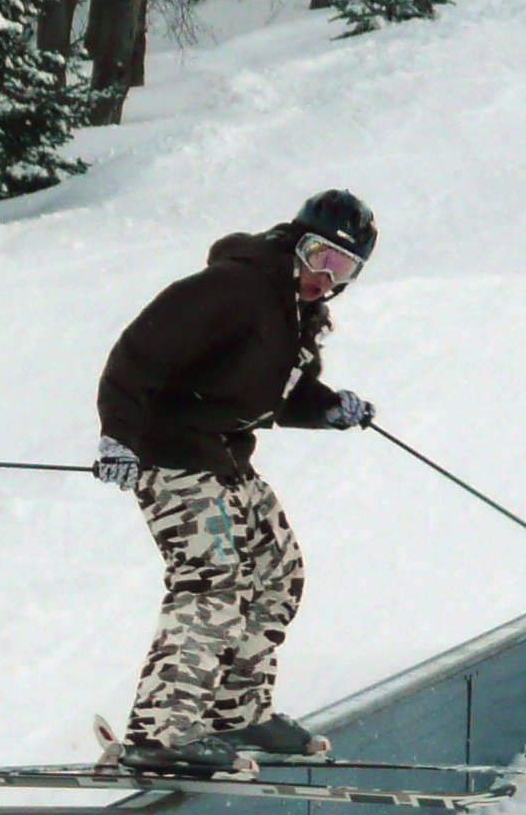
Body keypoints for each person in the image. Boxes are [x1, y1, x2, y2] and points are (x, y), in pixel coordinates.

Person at [94, 189, 378, 775]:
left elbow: (271, 395)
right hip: (172, 456)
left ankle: (235, 711)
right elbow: (137, 352)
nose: (326, 277)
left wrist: (325, 407)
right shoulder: (236, 288)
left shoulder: (295, 311)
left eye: (343, 267)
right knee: (213, 582)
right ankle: (162, 731)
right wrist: (117, 437)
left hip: (223, 459)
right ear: (296, 242)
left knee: (278, 571)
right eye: (320, 256)